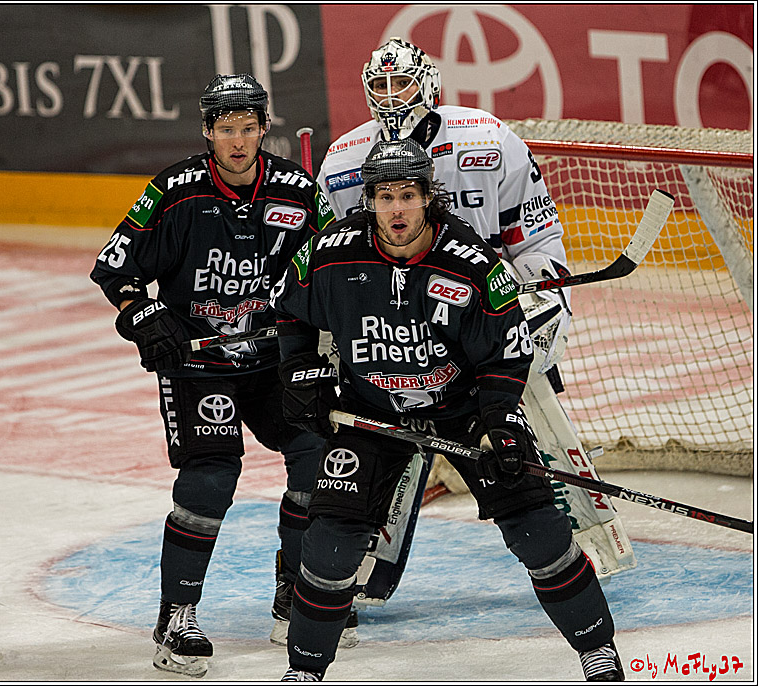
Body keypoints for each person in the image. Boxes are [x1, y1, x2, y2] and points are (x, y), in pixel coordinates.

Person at [272, 139, 623, 682]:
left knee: (536, 526)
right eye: (384, 196)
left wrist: (501, 420)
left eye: (407, 196)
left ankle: (596, 649)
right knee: (330, 543)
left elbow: (509, 349)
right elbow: (288, 310)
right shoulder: (331, 252)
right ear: (368, 200)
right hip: (372, 412)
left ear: (429, 197)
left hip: (461, 411)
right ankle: (304, 671)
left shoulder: (473, 263)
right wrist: (301, 372)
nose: (396, 210)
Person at [315, 37, 635, 608]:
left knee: (520, 417)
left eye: (402, 84)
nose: (391, 98)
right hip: (397, 329)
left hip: (484, 315)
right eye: (380, 86)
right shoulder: (343, 160)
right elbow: (332, 261)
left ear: (430, 84)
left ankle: (592, 542)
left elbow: (534, 235)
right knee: (379, 434)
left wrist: (541, 305)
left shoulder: (486, 139)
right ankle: (361, 567)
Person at [90, 73, 336, 677]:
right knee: (212, 475)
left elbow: (333, 263)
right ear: (207, 132)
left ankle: (297, 593)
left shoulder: (297, 190)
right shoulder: (175, 191)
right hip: (200, 366)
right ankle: (177, 614)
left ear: (263, 128)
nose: (238, 141)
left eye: (249, 128)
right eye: (226, 129)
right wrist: (144, 315)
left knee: (315, 453)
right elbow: (115, 268)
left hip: (274, 358)